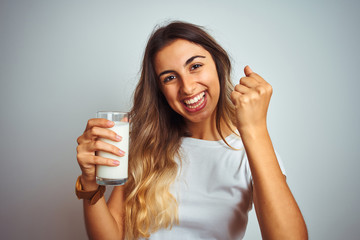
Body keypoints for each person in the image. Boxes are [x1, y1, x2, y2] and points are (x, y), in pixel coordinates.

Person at [76, 21, 308, 239]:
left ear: (218, 65)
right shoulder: (146, 145)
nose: (187, 88)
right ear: (160, 90)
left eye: (195, 66)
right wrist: (89, 183)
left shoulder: (249, 148)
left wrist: (254, 128)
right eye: (170, 78)